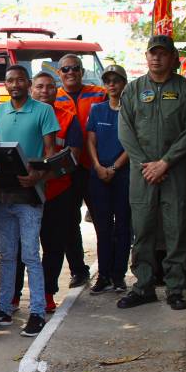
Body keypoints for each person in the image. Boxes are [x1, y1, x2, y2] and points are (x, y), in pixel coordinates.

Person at [117, 35, 186, 311]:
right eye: (152, 53)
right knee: (142, 228)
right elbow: (126, 131)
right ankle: (143, 286)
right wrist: (146, 164)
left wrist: (165, 162)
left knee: (176, 228)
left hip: (176, 172)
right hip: (142, 173)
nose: (156, 58)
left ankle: (175, 288)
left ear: (172, 57)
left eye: (162, 54)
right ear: (146, 57)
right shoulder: (132, 90)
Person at [0, 65, 59, 337]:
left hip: (29, 197)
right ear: (5, 84)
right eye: (9, 80)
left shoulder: (44, 111)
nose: (14, 84)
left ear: (28, 83)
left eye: (19, 80)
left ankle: (37, 311)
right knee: (6, 255)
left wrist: (38, 177)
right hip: (3, 196)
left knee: (30, 255)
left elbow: (51, 155)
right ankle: (4, 307)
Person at [12, 72, 83, 314]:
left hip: (56, 191)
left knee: (53, 246)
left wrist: (41, 177)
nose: (45, 91)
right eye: (40, 86)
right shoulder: (17, 115)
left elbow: (71, 159)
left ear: (57, 90)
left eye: (50, 87)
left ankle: (47, 293)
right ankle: (13, 294)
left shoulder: (68, 118)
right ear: (32, 89)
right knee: (21, 247)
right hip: (24, 192)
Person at [55, 54, 105, 288]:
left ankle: (107, 271)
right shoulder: (53, 97)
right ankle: (78, 270)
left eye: (75, 68)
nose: (70, 72)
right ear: (59, 73)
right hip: (67, 170)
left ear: (82, 71)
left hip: (95, 167)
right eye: (65, 69)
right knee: (68, 222)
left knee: (102, 219)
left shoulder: (99, 93)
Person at [86, 65, 131, 295]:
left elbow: (132, 145)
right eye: (108, 81)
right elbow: (91, 141)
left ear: (124, 83)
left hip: (123, 174)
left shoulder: (131, 111)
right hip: (99, 175)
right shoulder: (97, 110)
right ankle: (103, 275)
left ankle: (118, 275)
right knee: (103, 228)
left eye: (116, 80)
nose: (112, 85)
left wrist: (113, 167)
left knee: (123, 226)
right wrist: (97, 165)